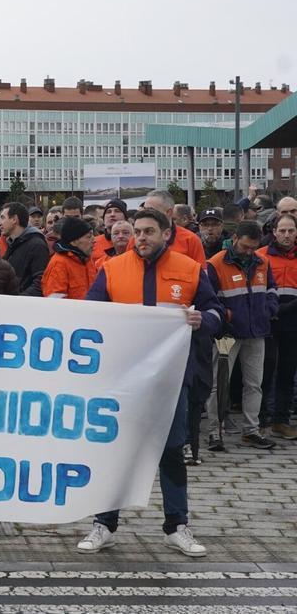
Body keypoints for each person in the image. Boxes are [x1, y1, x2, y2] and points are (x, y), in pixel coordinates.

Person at [79, 208, 222, 558]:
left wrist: (203, 319)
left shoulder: (189, 270)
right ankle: (104, 524)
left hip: (171, 380)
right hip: (123, 381)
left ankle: (177, 526)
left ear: (166, 233)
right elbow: (89, 313)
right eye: (137, 232)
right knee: (116, 450)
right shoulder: (112, 269)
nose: (141, 238)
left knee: (172, 451)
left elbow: (216, 313)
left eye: (148, 232)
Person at [205, 221, 277, 452]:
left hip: (257, 331)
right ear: (235, 238)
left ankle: (251, 430)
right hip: (227, 333)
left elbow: (272, 290)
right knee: (219, 384)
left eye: (252, 248)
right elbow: (209, 298)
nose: (249, 252)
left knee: (254, 384)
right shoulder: (215, 264)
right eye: (245, 247)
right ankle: (215, 431)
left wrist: (269, 310)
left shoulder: (262, 262)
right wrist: (224, 317)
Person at [259, 213, 297, 441]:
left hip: (292, 322)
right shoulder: (261, 256)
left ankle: (281, 420)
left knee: (287, 371)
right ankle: (262, 419)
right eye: (282, 231)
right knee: (264, 372)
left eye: (291, 231)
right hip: (267, 321)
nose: (286, 235)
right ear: (274, 232)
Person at [0, 202, 49, 295]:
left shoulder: (37, 245)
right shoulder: (13, 243)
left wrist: (19, 301)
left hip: (24, 306)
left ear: (14, 219)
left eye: (3, 218)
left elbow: (40, 282)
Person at [141, 190, 205, 265]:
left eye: (151, 210)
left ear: (169, 212)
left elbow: (201, 273)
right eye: (144, 209)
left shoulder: (190, 240)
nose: (145, 214)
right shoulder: (137, 240)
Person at [41, 217, 96, 300]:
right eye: (88, 237)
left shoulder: (87, 260)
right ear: (73, 241)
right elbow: (55, 302)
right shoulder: (59, 264)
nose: (94, 240)